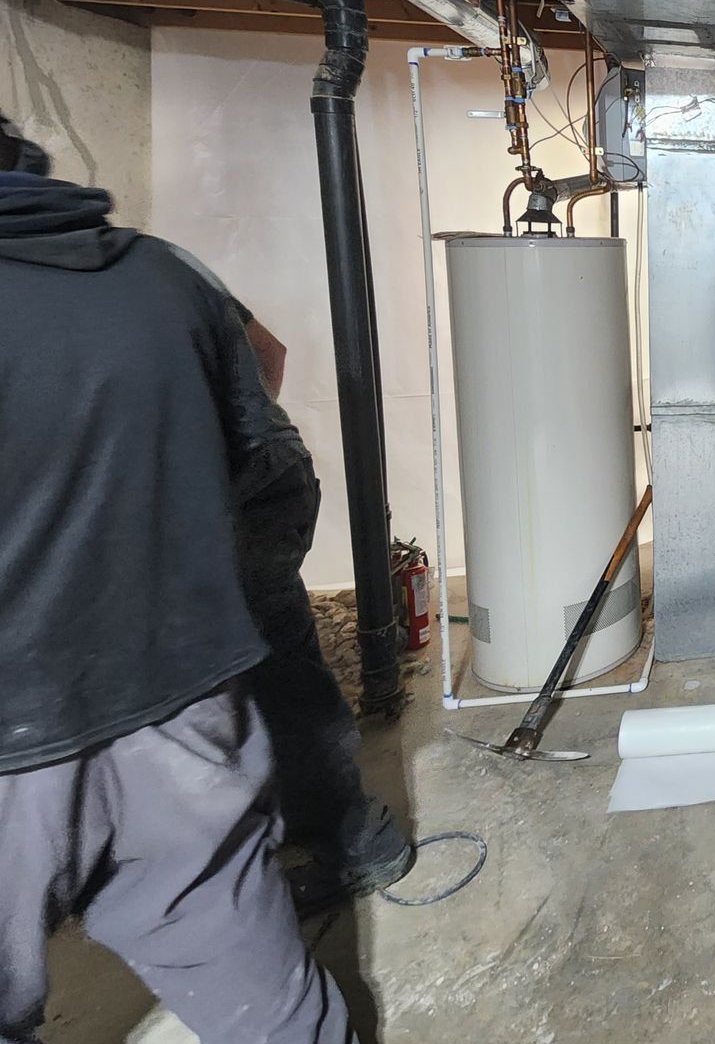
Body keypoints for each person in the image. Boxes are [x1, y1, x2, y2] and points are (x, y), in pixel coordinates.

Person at [0, 111, 354, 1043]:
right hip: (184, 684)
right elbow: (259, 397)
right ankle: (357, 837)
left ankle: (355, 835)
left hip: (21, 728)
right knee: (265, 996)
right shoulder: (163, 273)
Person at [164, 247, 415, 912]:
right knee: (275, 651)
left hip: (233, 493)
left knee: (272, 665)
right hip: (266, 475)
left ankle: (349, 837)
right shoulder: (162, 265)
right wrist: (254, 426)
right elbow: (268, 352)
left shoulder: (46, 283)